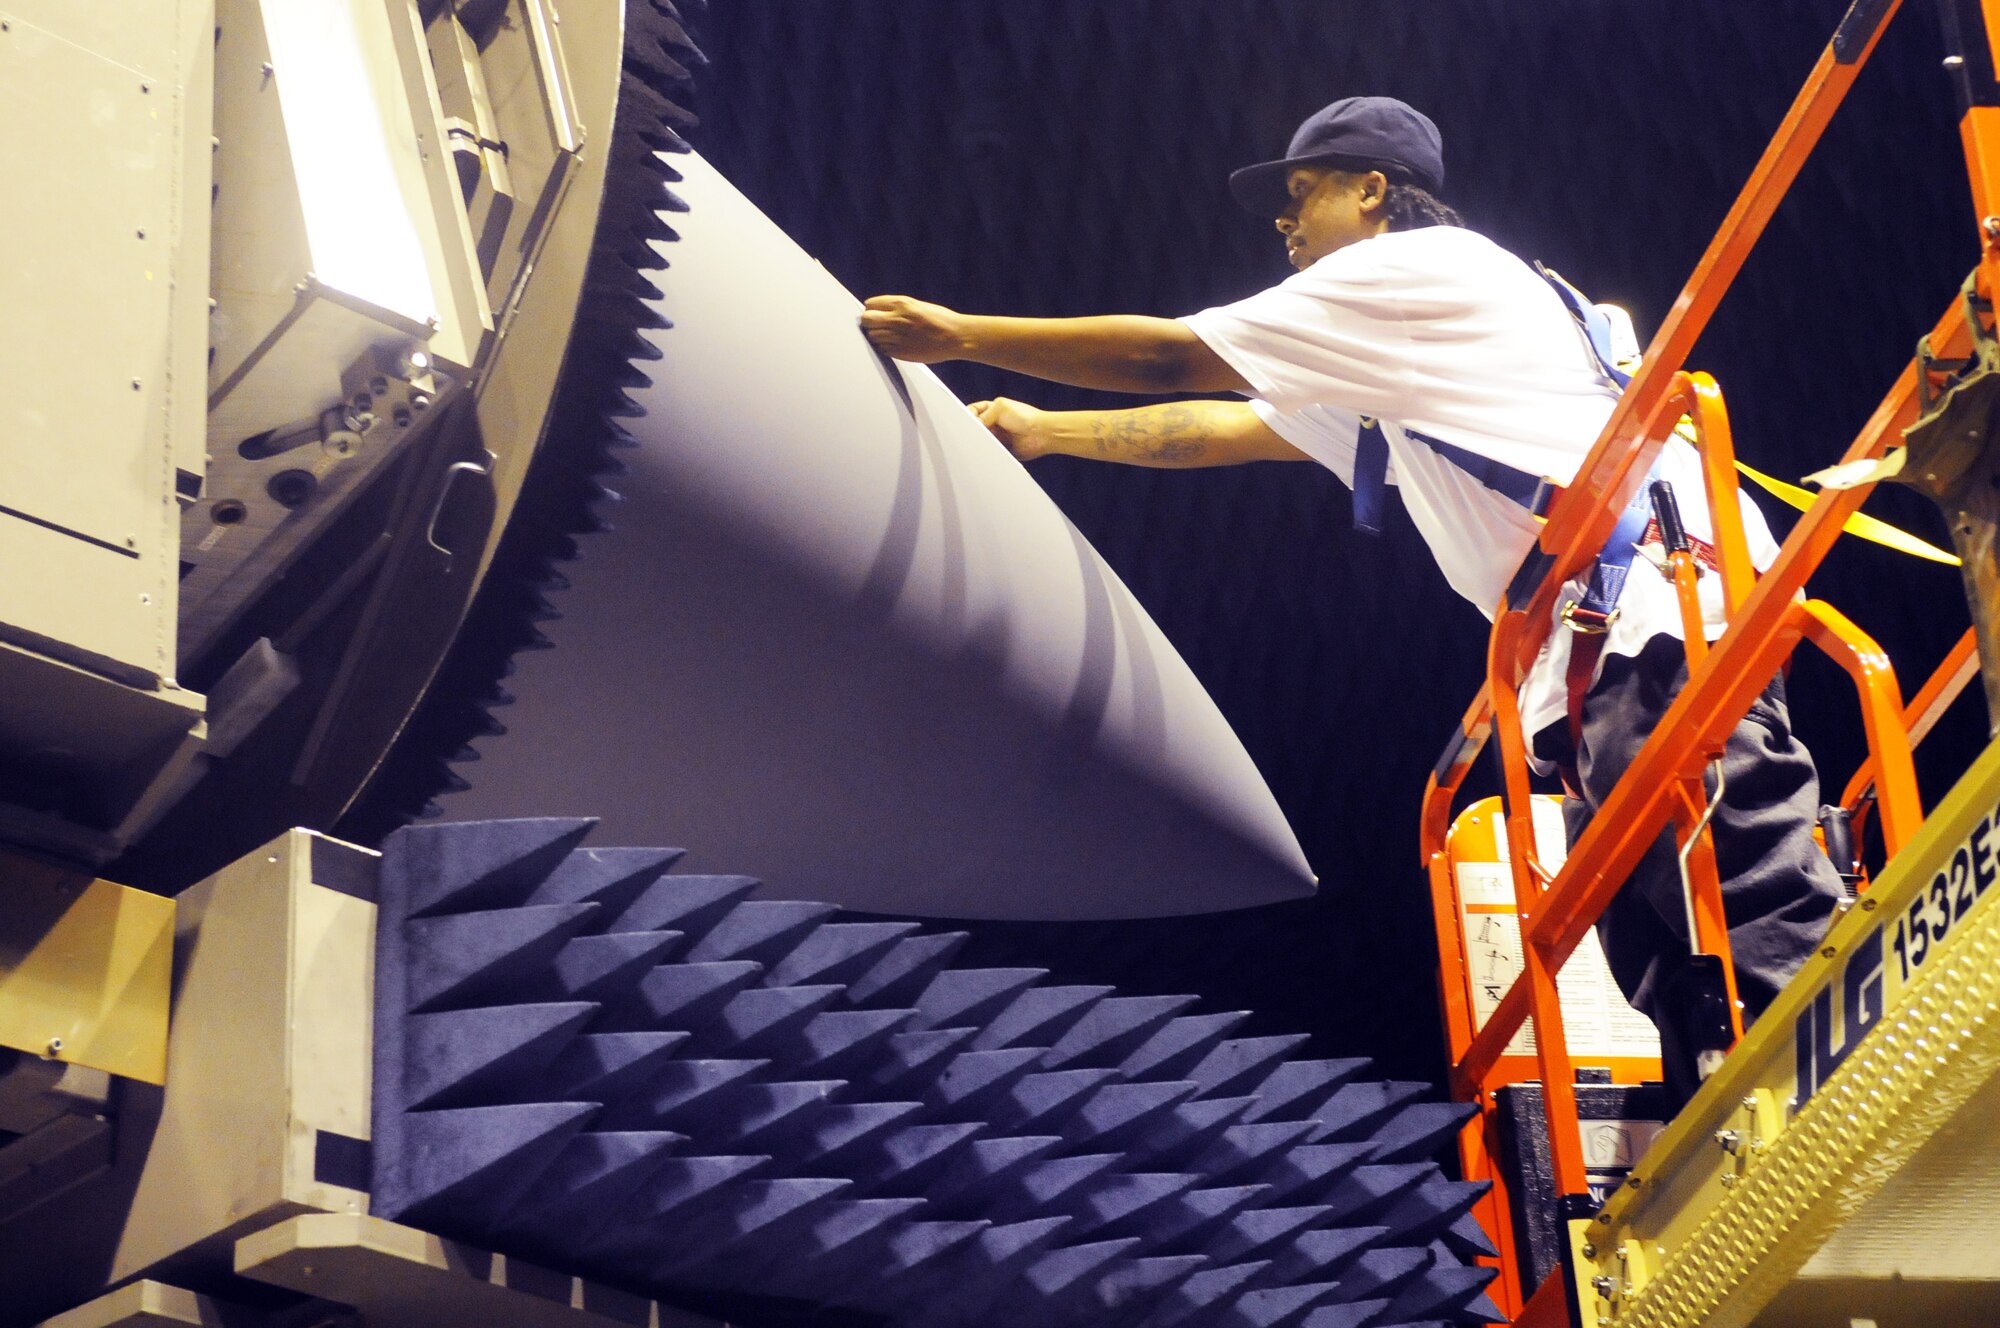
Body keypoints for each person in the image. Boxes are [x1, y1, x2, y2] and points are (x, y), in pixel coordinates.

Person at [859, 95, 1845, 1101]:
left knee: (1724, 870)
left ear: (1372, 191)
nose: (1285, 225)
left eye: (1302, 194)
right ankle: (1731, 1108)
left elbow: (1171, 353)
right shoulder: (1394, 353)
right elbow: (1230, 425)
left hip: (1644, 601)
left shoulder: (1412, 273)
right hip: (1602, 632)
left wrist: (963, 333)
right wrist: (1048, 430)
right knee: (1656, 916)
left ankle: (1823, 1081)